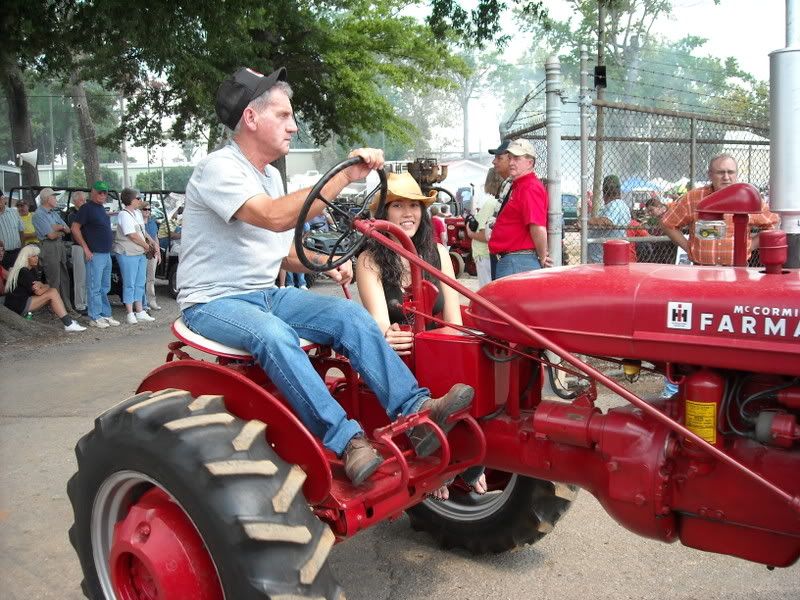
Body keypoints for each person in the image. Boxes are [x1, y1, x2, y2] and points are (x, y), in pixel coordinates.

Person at [177, 66, 474, 487]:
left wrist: (322, 259)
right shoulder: (218, 169)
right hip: (212, 302)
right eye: (283, 116)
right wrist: (343, 176)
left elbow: (279, 251)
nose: (293, 126)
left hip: (263, 294)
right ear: (250, 118)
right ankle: (346, 440)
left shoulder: (266, 174)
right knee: (272, 335)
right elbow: (277, 218)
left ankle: (416, 414)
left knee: (349, 317)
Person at [356, 171, 486, 499]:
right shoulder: (369, 261)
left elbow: (454, 321)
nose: (408, 213)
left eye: (414, 205)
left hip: (436, 346)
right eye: (397, 205)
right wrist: (390, 336)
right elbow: (379, 326)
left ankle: (471, 454)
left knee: (472, 366)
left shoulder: (438, 253)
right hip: (398, 354)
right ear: (383, 215)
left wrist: (437, 344)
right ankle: (433, 460)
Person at [660, 154, 778, 266]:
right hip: (702, 269)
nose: (726, 177)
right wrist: (689, 248)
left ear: (736, 174)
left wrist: (749, 246)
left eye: (730, 172)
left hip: (737, 269)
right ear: (710, 175)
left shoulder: (748, 198)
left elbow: (773, 224)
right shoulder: (693, 198)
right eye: (720, 172)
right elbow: (668, 223)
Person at [488, 139, 550, 278]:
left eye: (516, 158)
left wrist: (542, 256)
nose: (511, 162)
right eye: (510, 158)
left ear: (530, 162)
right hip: (515, 260)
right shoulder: (520, 186)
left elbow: (537, 226)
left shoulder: (529, 187)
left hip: (518, 261)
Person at [71, 181, 120, 329]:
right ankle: (95, 316)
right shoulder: (87, 208)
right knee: (94, 286)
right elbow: (74, 228)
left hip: (105, 253)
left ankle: (105, 313)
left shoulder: (100, 208)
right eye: (100, 192)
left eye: (105, 192)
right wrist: (85, 248)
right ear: (92, 192)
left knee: (105, 286)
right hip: (95, 253)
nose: (103, 195)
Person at [3, 245, 86, 332]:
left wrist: (43, 285)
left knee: (52, 292)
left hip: (23, 301)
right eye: (33, 256)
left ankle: (68, 322)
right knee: (52, 292)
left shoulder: (31, 270)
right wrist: (46, 286)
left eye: (37, 256)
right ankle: (68, 324)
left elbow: (40, 287)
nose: (36, 258)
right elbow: (39, 291)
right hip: (17, 305)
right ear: (26, 258)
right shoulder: (23, 271)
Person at [113, 188, 156, 325]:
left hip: (139, 252)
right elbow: (132, 235)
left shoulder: (137, 213)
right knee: (129, 283)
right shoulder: (124, 215)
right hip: (128, 252)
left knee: (139, 282)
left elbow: (142, 232)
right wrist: (146, 246)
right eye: (138, 198)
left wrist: (151, 242)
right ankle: (130, 312)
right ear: (132, 200)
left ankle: (140, 311)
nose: (140, 201)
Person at [32, 187, 75, 314]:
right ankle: (56, 310)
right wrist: (58, 230)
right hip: (49, 248)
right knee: (54, 280)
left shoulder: (54, 213)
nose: (56, 199)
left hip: (59, 246)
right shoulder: (38, 215)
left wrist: (58, 227)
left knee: (64, 278)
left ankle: (67, 308)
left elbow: (67, 229)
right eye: (53, 197)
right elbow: (50, 235)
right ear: (46, 199)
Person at [466, 168, 501, 288]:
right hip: (492, 255)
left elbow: (484, 235)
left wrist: (470, 233)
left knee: (486, 290)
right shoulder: (500, 203)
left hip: (484, 254)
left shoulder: (490, 204)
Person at [587, 175, 631, 263]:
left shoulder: (615, 204)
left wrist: (586, 221)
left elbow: (607, 222)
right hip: (606, 255)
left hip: (602, 258)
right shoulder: (620, 205)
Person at [66, 191, 88, 313]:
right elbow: (76, 230)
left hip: (89, 247)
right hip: (78, 247)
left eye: (85, 200)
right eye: (81, 200)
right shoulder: (72, 214)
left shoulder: (86, 212)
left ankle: (87, 302)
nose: (84, 202)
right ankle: (80, 305)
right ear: (75, 201)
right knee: (80, 278)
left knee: (88, 277)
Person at [141, 203, 162, 310]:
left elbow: (155, 237)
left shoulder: (152, 222)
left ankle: (151, 301)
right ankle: (142, 303)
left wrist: (158, 252)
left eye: (149, 209)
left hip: (152, 253)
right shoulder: (139, 222)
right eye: (145, 209)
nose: (147, 211)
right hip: (142, 252)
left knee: (151, 278)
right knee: (141, 279)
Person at [0, 189, 24, 269]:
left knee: (19, 278)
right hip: (2, 256)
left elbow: (21, 231)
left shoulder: (14, 212)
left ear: (4, 199)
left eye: (0, 198)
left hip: (17, 253)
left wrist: (22, 249)